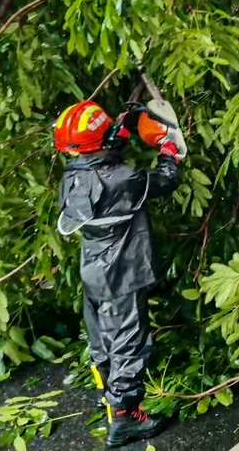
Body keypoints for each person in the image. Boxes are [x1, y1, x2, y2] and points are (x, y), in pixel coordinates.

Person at [54, 99, 186, 448]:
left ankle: (107, 396)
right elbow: (166, 178)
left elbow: (102, 157)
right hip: (122, 274)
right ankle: (126, 419)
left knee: (102, 342)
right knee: (129, 345)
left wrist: (123, 128)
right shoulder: (124, 179)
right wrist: (169, 147)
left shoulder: (72, 177)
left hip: (94, 273)